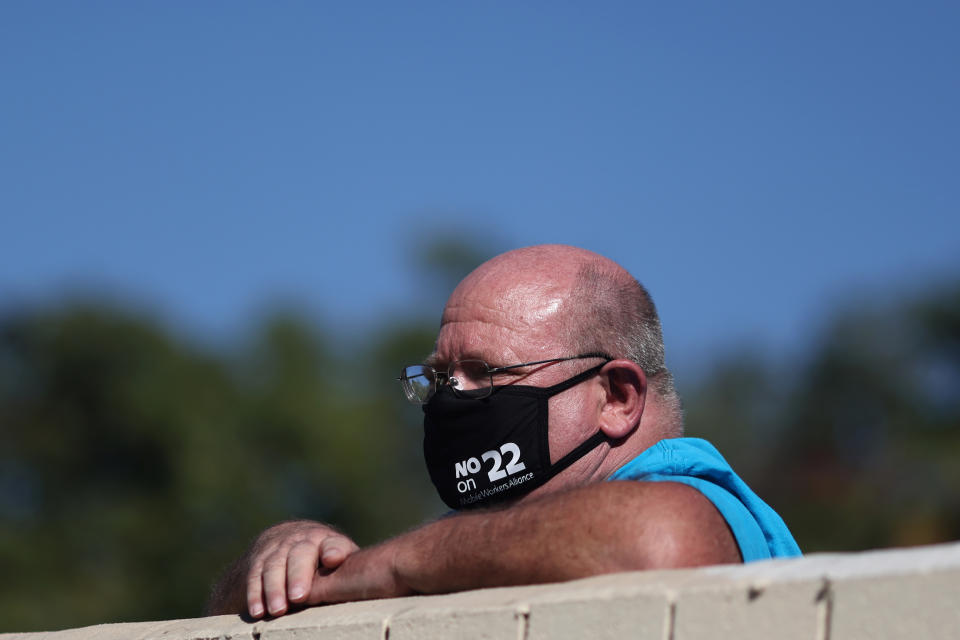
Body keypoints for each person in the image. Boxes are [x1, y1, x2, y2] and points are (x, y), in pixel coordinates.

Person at [206, 244, 800, 618]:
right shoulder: (481, 546)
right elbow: (228, 618)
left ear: (617, 398)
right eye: (439, 376)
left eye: (485, 374)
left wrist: (383, 567)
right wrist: (277, 558)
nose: (451, 399)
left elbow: (660, 540)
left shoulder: (703, 501)